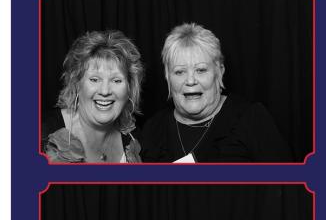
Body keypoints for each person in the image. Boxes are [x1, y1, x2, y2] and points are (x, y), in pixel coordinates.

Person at [139, 22, 291, 163]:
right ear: (168, 77)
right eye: (179, 72)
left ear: (220, 72)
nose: (190, 81)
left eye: (201, 70)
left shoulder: (252, 120)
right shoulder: (153, 129)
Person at [43, 30, 143, 163]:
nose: (105, 91)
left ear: (129, 88)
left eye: (116, 80)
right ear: (76, 83)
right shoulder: (41, 135)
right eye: (94, 79)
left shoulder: (135, 138)